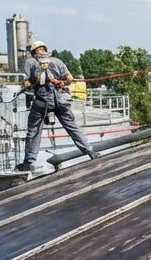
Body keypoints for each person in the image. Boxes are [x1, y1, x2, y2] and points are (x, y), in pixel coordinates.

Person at [16, 40, 98, 172]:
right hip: (61, 101)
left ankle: (29, 161)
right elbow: (69, 78)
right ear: (45, 49)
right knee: (72, 127)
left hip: (42, 102)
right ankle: (90, 151)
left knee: (34, 130)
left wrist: (31, 82)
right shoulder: (57, 61)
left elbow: (26, 82)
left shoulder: (31, 62)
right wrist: (60, 82)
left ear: (33, 52)